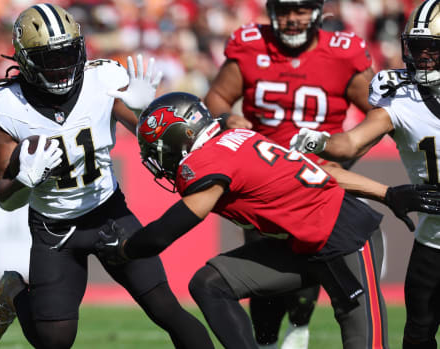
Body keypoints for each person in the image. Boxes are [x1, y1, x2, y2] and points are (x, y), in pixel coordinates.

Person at [96, 92, 440, 349]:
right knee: (210, 283)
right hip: (302, 245)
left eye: (159, 149)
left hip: (345, 240)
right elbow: (320, 170)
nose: (158, 160)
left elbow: (167, 231)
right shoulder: (235, 139)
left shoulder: (208, 160)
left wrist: (126, 249)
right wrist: (386, 193)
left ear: (181, 138)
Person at [0, 4, 214, 349]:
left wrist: (146, 111)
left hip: (109, 214)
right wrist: (25, 180)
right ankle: (16, 293)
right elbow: (5, 199)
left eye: (66, 55)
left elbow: (149, 137)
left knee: (166, 309)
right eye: (49, 59)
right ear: (27, 61)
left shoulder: (102, 79)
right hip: (54, 228)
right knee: (54, 341)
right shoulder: (6, 106)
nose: (61, 68)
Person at [203, 0, 375, 346]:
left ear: (317, 13)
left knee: (313, 254)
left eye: (299, 10)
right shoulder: (251, 45)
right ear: (271, 11)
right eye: (284, 10)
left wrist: (347, 156)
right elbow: (218, 97)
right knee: (260, 259)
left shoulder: (342, 53)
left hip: (315, 180)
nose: (292, 19)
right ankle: (266, 339)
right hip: (261, 180)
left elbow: (381, 116)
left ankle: (299, 325)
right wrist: (226, 119)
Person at [290, 1, 440, 347]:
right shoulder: (402, 98)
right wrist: (319, 141)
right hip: (433, 238)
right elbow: (353, 144)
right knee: (418, 335)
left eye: (433, 47)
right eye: (418, 47)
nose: (424, 56)